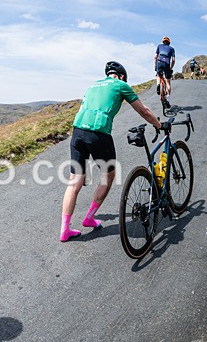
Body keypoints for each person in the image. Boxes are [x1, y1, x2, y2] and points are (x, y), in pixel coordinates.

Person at [60, 61, 164, 242]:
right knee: (108, 176)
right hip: (98, 135)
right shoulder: (121, 85)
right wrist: (159, 125)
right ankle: (89, 218)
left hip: (77, 132)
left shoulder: (93, 85)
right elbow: (144, 111)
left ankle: (64, 230)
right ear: (122, 76)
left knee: (74, 183)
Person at [154, 36, 176, 108]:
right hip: (166, 64)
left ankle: (158, 85)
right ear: (169, 42)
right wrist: (171, 68)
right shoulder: (172, 49)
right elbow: (173, 60)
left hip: (159, 62)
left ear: (163, 41)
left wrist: (155, 66)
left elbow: (155, 57)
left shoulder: (159, 46)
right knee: (168, 82)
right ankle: (168, 99)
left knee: (158, 75)